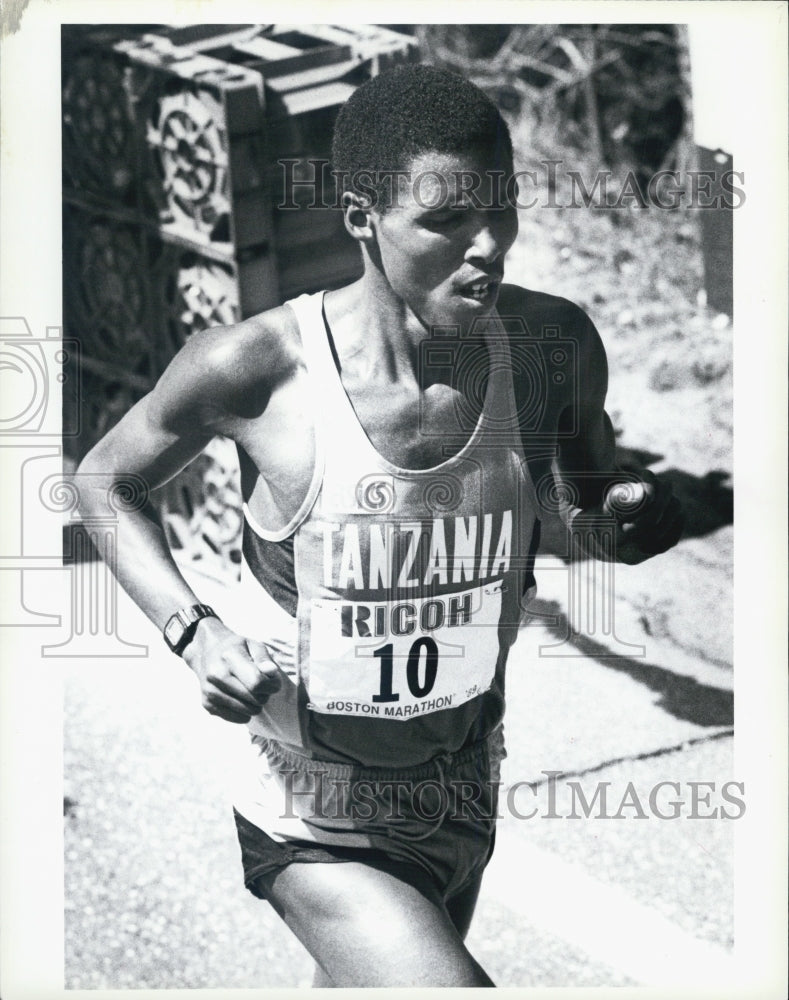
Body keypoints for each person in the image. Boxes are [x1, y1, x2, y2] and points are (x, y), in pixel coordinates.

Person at [76, 64, 683, 987]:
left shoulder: (553, 347)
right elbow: (104, 481)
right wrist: (192, 632)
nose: (488, 246)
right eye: (445, 221)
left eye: (503, 208)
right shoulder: (258, 370)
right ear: (361, 218)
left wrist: (629, 518)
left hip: (459, 789)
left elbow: (590, 512)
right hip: (308, 815)